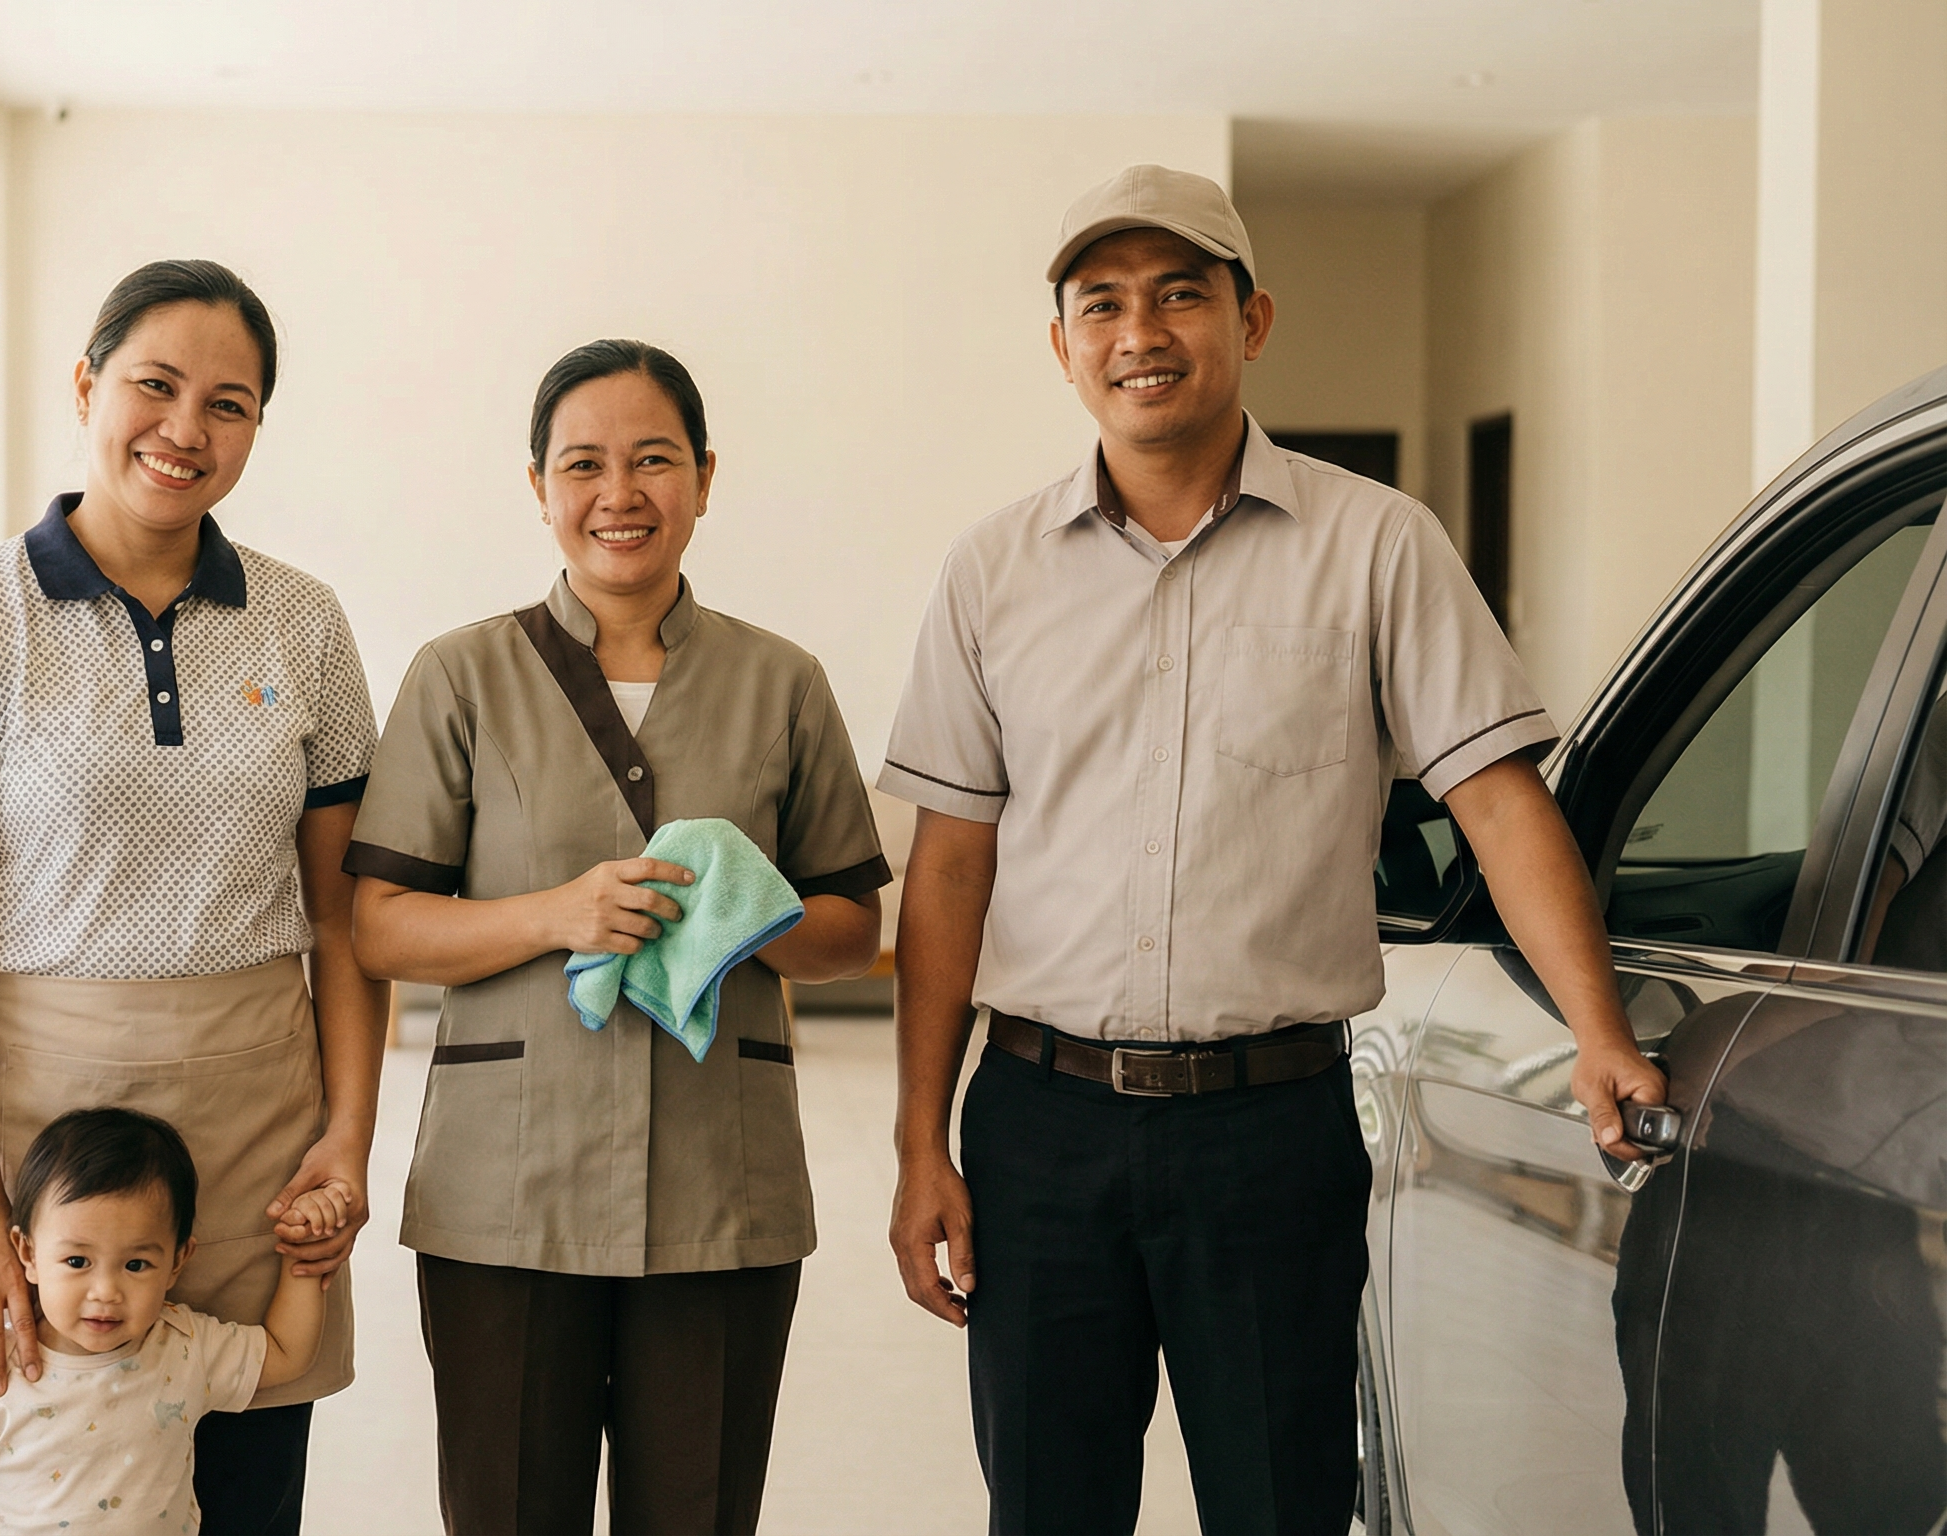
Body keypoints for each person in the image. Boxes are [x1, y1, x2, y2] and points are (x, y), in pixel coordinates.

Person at [878, 164, 1669, 1534]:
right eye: (1103, 303)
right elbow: (951, 864)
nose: (1143, 331)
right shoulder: (991, 570)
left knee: (1282, 1502)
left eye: (1182, 294)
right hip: (1040, 1131)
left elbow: (1496, 797)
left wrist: (1596, 1032)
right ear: (1063, 348)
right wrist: (918, 1144)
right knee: (1047, 1510)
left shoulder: (1376, 546)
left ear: (1253, 321)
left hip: (1270, 1133)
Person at [0, 259, 387, 1536]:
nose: (186, 429)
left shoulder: (304, 625)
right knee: (53, 1474)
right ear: (87, 382)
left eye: (230, 404)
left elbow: (342, 922)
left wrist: (349, 1137)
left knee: (251, 1483)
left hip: (261, 1115)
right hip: (50, 1136)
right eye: (156, 386)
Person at [347, 339, 893, 1536]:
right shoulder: (460, 677)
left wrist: (745, 923)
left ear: (703, 475)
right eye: (582, 463)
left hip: (719, 1189)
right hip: (507, 1192)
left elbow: (854, 928)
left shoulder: (780, 682)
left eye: (653, 459)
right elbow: (380, 927)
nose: (619, 493)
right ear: (537, 486)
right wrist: (557, 915)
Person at [0, 1106, 349, 1536]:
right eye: (77, 1260)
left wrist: (302, 1254)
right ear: (27, 1253)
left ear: (178, 1261)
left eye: (136, 1264)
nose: (106, 1291)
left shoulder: (183, 1346)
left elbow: (287, 1354)